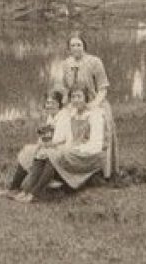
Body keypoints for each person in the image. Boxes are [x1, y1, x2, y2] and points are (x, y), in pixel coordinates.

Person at [11, 90, 111, 202]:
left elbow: (96, 144)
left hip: (90, 154)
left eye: (79, 97)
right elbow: (59, 129)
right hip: (73, 149)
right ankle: (26, 191)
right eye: (73, 97)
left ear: (86, 98)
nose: (76, 100)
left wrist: (72, 148)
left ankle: (34, 194)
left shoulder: (95, 115)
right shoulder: (72, 113)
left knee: (52, 155)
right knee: (42, 153)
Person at [48, 33, 115, 180]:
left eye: (79, 45)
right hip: (75, 102)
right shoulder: (66, 64)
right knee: (61, 125)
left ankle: (104, 173)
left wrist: (93, 105)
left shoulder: (95, 62)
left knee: (98, 133)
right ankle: (62, 166)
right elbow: (66, 87)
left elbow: (103, 88)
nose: (76, 48)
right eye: (72, 45)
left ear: (84, 46)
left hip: (95, 101)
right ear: (68, 48)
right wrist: (65, 104)